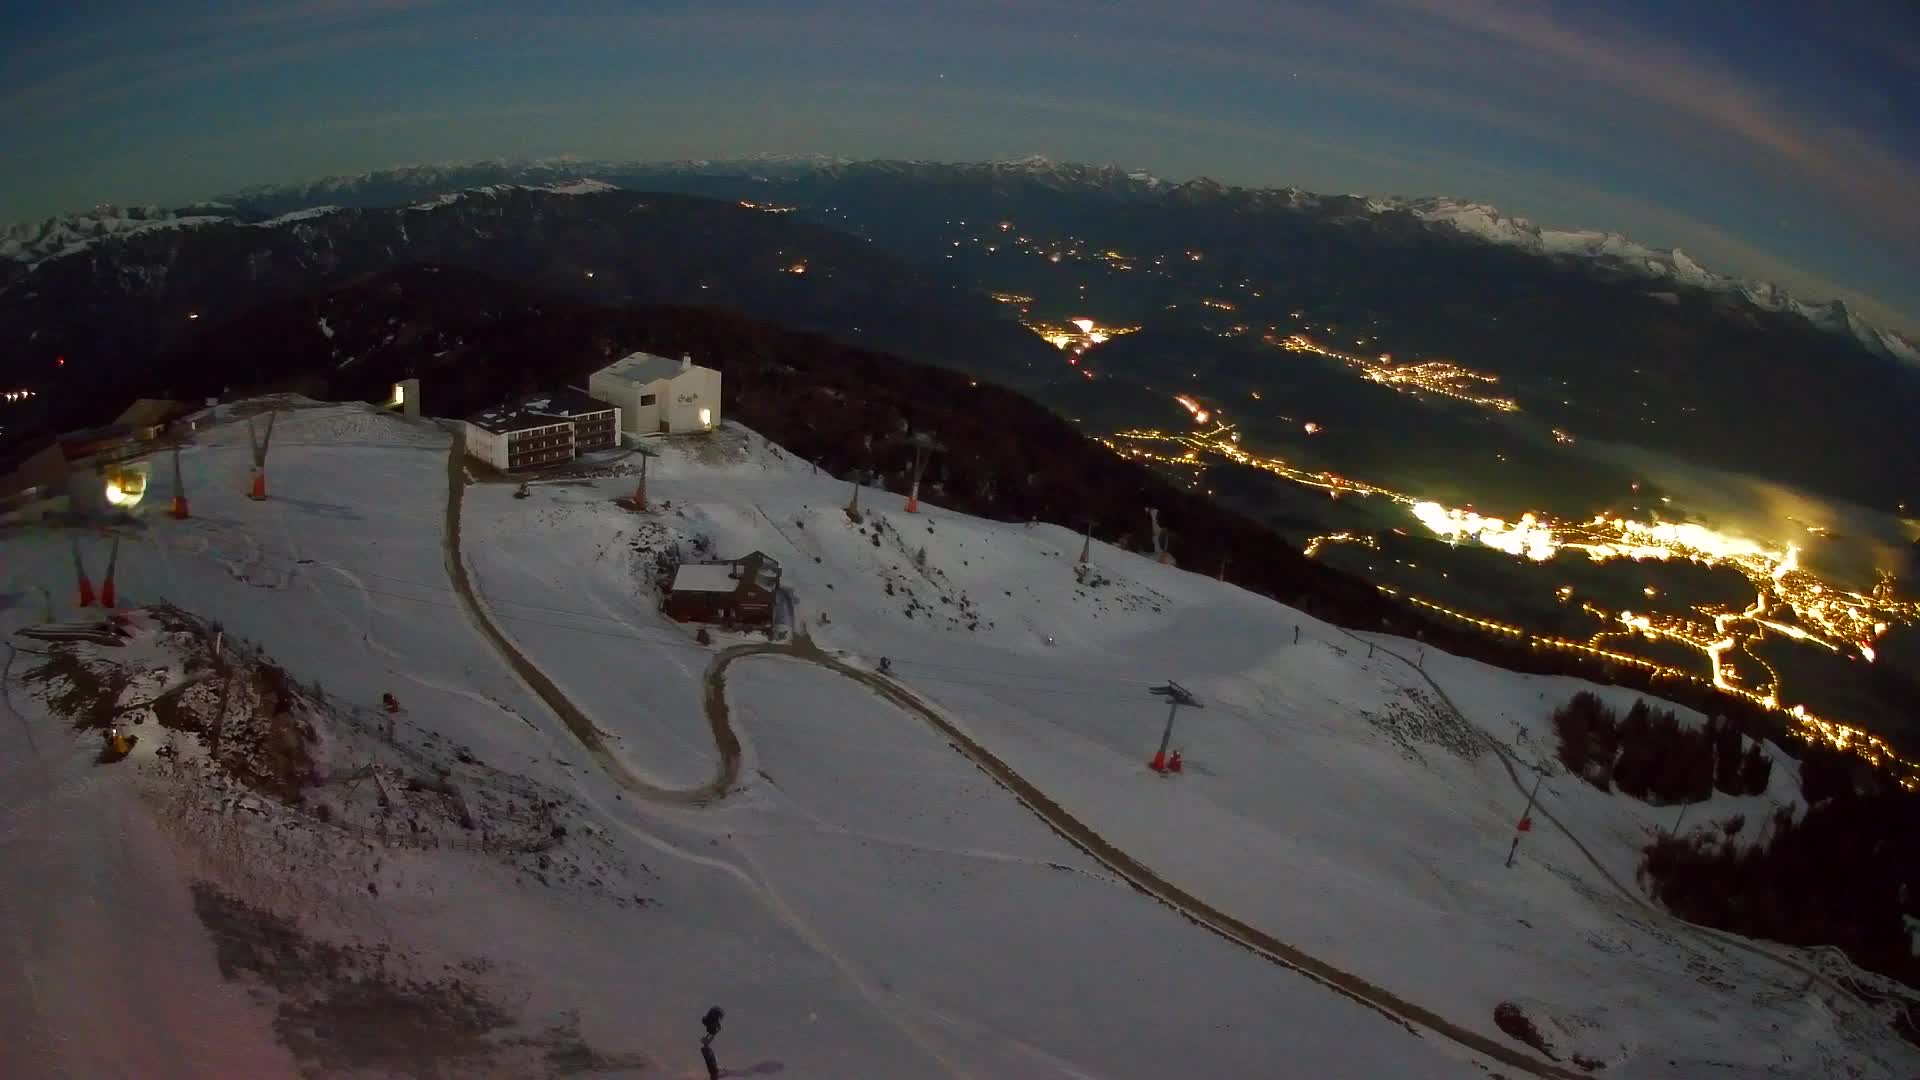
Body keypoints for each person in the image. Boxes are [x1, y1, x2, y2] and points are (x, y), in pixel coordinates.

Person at [700, 1006, 725, 1079]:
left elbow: (713, 1032)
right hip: (707, 1049)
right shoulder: (713, 1025)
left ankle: (715, 1072)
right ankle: (715, 1072)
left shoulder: (714, 1027)